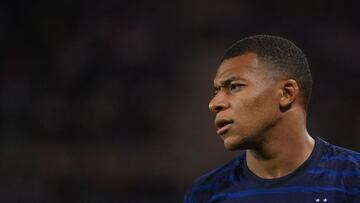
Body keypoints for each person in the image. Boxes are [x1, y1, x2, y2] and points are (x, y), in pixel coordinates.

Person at [184, 35, 360, 203]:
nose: (214, 103)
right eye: (217, 91)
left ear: (286, 93)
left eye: (235, 86)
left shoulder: (354, 177)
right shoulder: (205, 192)